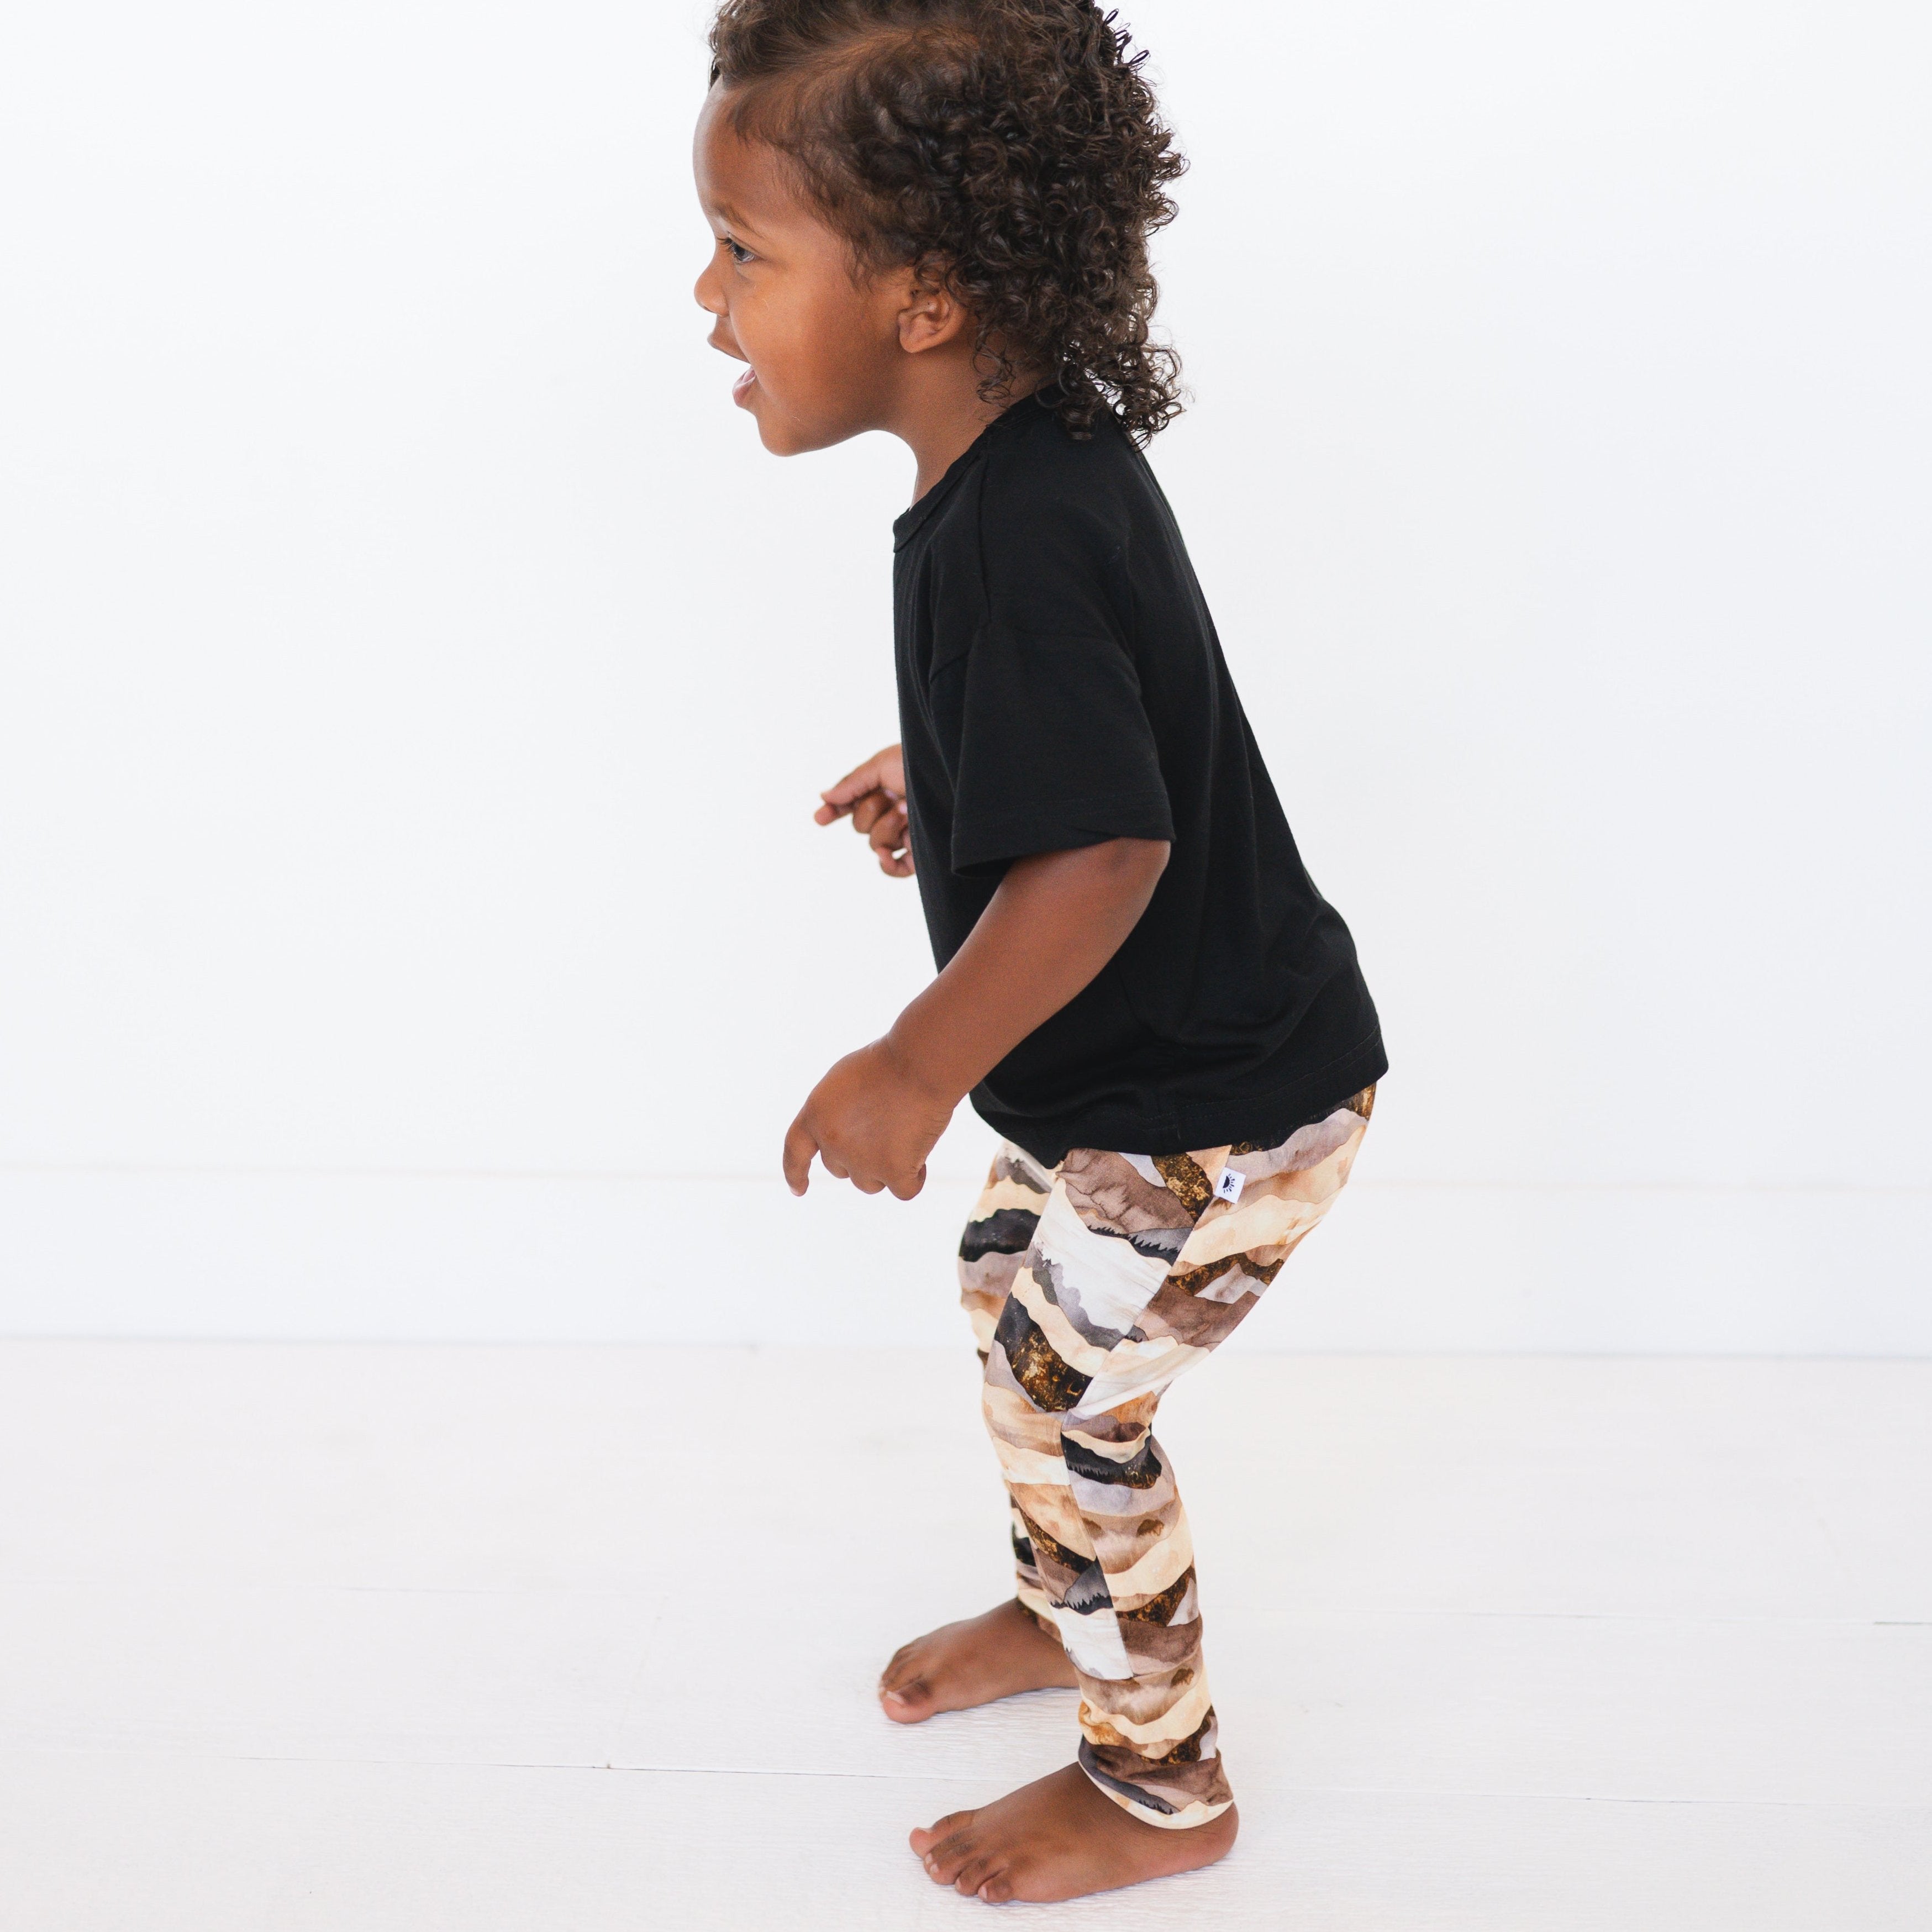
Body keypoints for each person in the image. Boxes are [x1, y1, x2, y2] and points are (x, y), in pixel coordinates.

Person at [694, 0, 1385, 1904]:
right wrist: (960, 767)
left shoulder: (1022, 524)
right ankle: (1062, 1604)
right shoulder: (1026, 461)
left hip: (1223, 1104)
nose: (703, 291)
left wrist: (913, 1059)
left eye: (747, 251)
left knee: (1073, 1397)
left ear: (920, 298)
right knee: (1012, 1295)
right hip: (1138, 1079)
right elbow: (1103, 730)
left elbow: (1103, 844)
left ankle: (1163, 1783)